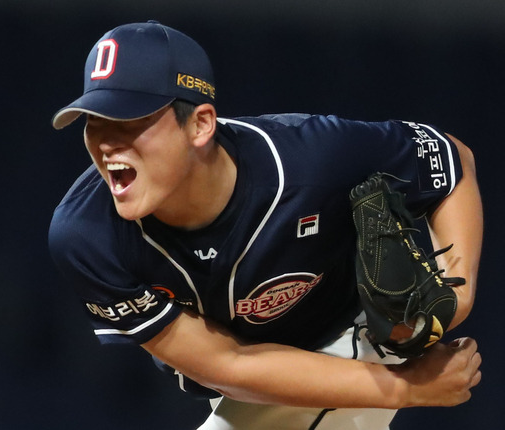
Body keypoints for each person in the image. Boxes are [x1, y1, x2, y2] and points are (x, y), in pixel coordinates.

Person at [48, 21, 482, 429]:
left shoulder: (312, 158)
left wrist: (456, 297)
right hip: (246, 375)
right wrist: (411, 388)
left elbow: (451, 157)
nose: (106, 143)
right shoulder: (86, 235)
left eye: (129, 121)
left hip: (346, 334)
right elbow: (226, 365)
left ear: (200, 124)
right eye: (94, 122)